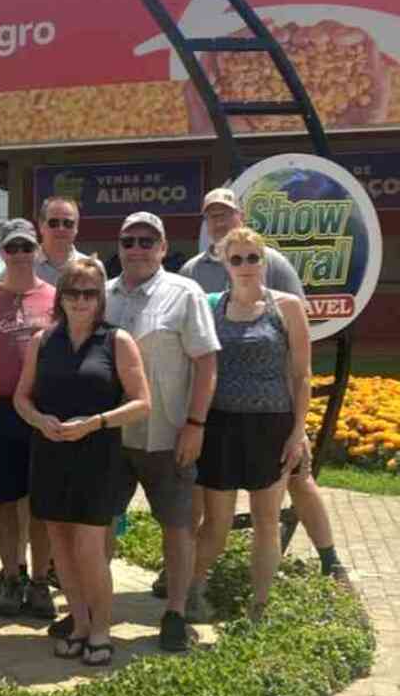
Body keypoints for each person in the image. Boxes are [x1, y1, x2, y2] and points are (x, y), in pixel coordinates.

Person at [180, 186, 347, 583]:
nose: (220, 220)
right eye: (212, 215)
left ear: (240, 215)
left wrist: (297, 425)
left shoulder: (276, 266)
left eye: (226, 213)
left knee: (299, 481)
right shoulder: (193, 272)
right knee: (206, 506)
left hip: (273, 415)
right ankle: (187, 581)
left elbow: (296, 353)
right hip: (221, 416)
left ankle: (330, 559)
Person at [14, 257, 150, 666]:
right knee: (61, 547)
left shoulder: (117, 341)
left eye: (89, 293)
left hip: (98, 456)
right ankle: (78, 625)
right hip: (51, 453)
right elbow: (22, 397)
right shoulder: (43, 340)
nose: (80, 300)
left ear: (100, 298)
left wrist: (97, 423)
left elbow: (143, 403)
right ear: (61, 297)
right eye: (72, 292)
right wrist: (39, 420)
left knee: (90, 549)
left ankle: (101, 629)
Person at [106, 211, 219, 652]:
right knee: (101, 524)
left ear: (163, 247)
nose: (136, 249)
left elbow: (207, 362)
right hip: (112, 434)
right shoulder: (103, 295)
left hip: (168, 433)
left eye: (146, 241)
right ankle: (95, 611)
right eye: (128, 241)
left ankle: (175, 611)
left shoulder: (184, 293)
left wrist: (196, 424)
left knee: (176, 525)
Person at [190, 228, 312, 620]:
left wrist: (298, 432)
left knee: (266, 521)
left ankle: (259, 605)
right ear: (225, 264)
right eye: (236, 259)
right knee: (217, 525)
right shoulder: (212, 308)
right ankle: (192, 590)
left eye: (252, 258)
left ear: (265, 261)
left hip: (271, 428)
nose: (245, 266)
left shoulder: (287, 307)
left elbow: (301, 375)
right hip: (222, 428)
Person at [0, 218, 57, 620]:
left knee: (41, 503)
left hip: (43, 411)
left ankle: (40, 581)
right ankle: (10, 576)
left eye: (27, 247)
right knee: (5, 503)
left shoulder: (56, 298)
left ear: (38, 250)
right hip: (3, 412)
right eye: (12, 248)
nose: (20, 255)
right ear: (2, 253)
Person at [35, 196, 84, 285]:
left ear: (76, 228)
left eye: (68, 223)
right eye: (54, 223)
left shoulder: (92, 268)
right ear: (41, 225)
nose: (61, 228)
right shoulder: (23, 266)